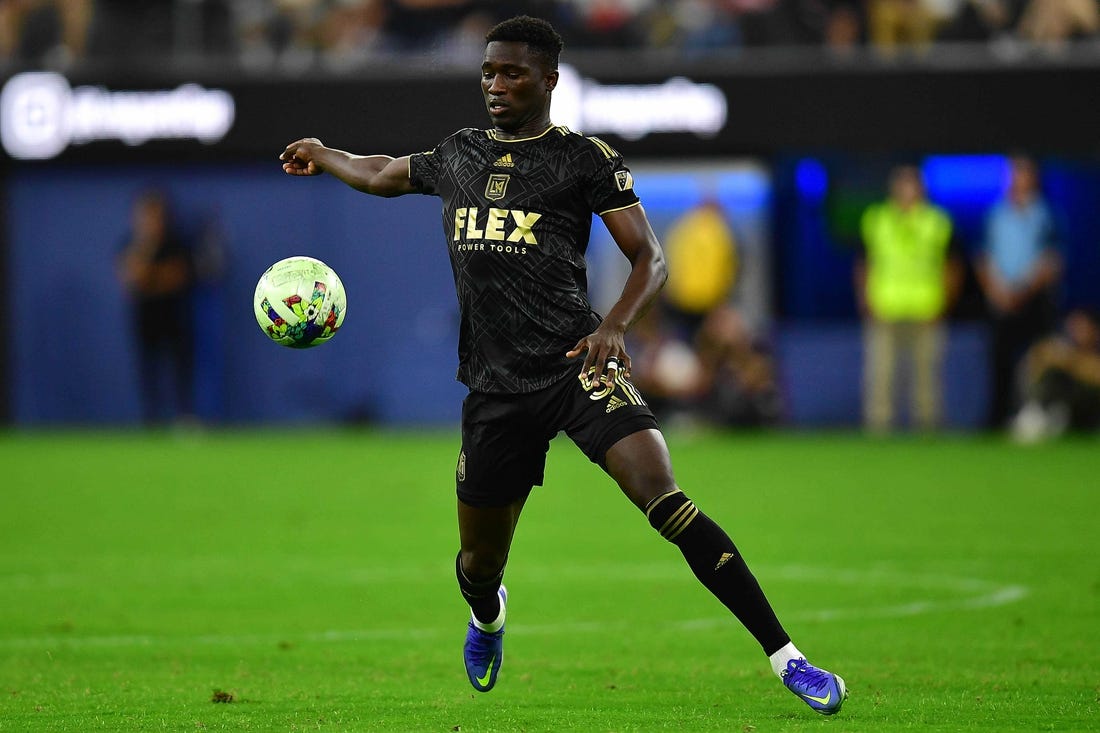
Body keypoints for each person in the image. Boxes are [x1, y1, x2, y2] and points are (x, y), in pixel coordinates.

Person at [280, 15, 846, 715]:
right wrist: (325, 151)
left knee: (665, 499)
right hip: (494, 387)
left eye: (512, 73)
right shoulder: (459, 154)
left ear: (548, 80)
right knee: (478, 565)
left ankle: (788, 658)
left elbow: (650, 257)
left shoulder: (582, 158)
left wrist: (614, 325)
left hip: (579, 364)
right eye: (488, 72)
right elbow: (381, 173)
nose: (495, 85)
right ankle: (489, 616)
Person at [855, 164, 962, 433]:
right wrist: (866, 300)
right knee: (881, 375)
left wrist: (945, 303)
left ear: (921, 189)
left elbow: (953, 267)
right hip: (885, 308)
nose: (907, 191)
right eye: (902, 185)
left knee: (927, 377)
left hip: (927, 309)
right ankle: (879, 430)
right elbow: (864, 264)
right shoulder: (877, 219)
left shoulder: (937, 222)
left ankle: (928, 429)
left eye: (912, 185)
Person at [975, 155, 1062, 429]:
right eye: (1015, 173)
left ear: (1034, 178)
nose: (1019, 178)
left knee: (1039, 360)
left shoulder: (1047, 214)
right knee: (999, 361)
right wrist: (999, 292)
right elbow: (984, 257)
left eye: (1025, 173)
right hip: (1001, 299)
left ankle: (1039, 415)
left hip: (1034, 299)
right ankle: (998, 418)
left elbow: (1052, 260)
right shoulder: (995, 214)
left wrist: (1024, 290)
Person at [116, 188, 196, 425]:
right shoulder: (131, 243)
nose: (151, 220)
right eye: (146, 215)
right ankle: (150, 421)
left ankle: (185, 419)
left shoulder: (178, 243)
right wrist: (147, 256)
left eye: (155, 214)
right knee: (148, 372)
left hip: (175, 318)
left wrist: (151, 279)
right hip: (145, 319)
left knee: (180, 371)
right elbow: (131, 277)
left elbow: (176, 277)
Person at [1011, 308, 1100, 442]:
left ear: (1095, 330)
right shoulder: (1058, 345)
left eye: (1083, 327)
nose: (1077, 332)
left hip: (1089, 413)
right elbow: (1040, 356)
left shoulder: (1089, 354)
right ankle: (1039, 415)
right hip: (1063, 409)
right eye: (1074, 326)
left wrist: (1072, 362)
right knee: (1053, 377)